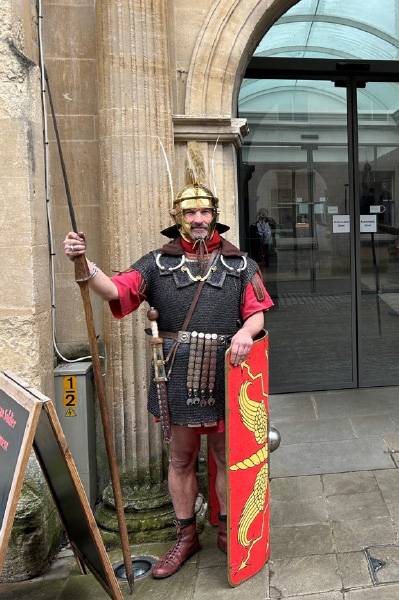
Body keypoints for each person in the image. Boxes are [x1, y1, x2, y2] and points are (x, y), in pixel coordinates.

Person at [64, 174, 273, 578]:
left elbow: (256, 311)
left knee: (227, 458)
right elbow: (114, 290)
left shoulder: (240, 263)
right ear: (178, 216)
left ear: (215, 216)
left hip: (226, 373)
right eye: (191, 211)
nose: (198, 218)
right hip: (176, 373)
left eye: (205, 211)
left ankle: (232, 532)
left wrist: (247, 333)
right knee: (180, 459)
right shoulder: (156, 263)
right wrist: (84, 264)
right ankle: (186, 536)